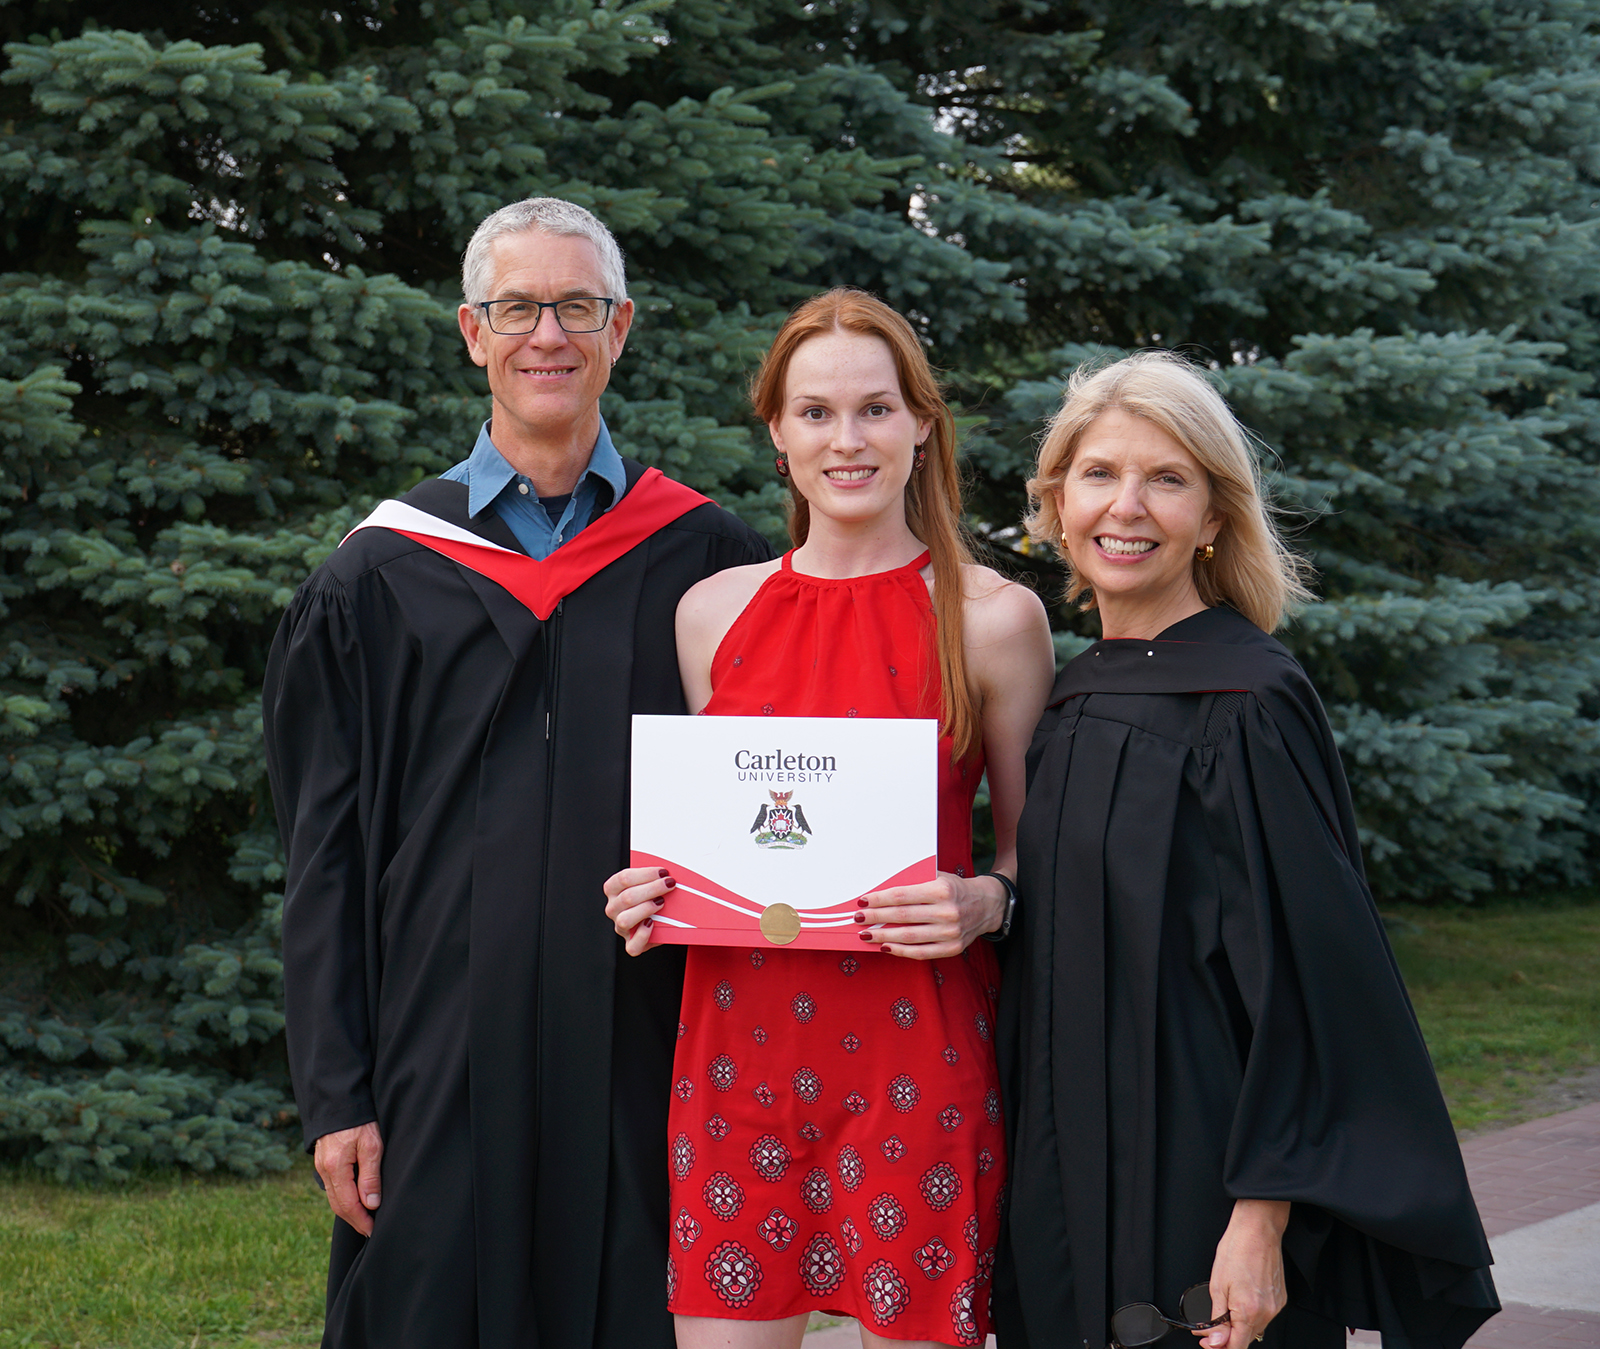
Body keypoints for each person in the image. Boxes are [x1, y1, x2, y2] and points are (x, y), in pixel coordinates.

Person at [261, 197, 772, 1349]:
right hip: (435, 1043)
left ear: (619, 328)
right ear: (473, 331)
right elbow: (322, 857)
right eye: (519, 307)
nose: (549, 333)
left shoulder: (710, 561)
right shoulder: (377, 574)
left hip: (647, 1042)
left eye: (578, 307)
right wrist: (337, 1095)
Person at [995, 351, 1500, 1349]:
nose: (1126, 506)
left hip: (1205, 1176)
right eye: (1099, 473)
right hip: (1063, 1168)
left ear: (1213, 517)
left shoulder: (1249, 700)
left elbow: (1311, 982)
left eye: (1166, 478)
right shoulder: (1074, 692)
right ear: (1057, 503)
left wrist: (1260, 1219)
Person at [604, 288, 1056, 1348]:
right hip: (735, 1062)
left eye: (875, 409)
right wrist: (651, 890)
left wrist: (986, 901)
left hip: (916, 1061)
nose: (846, 439)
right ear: (777, 430)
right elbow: (719, 836)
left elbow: (1034, 855)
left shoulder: (993, 618)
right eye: (815, 412)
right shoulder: (710, 613)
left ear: (921, 424)